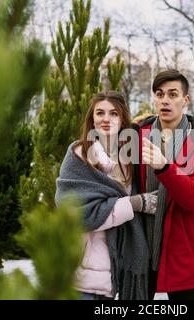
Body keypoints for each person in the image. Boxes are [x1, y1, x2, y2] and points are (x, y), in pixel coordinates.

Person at [132, 69, 194, 300]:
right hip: (139, 248)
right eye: (160, 94)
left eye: (173, 94)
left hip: (182, 251)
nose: (165, 100)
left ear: (185, 100)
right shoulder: (138, 134)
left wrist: (165, 168)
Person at [55, 91, 157, 300]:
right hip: (81, 274)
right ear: (92, 118)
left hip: (113, 273)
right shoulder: (78, 154)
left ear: (122, 119)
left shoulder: (128, 160)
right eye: (100, 113)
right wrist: (134, 204)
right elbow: (78, 215)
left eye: (113, 113)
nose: (106, 119)